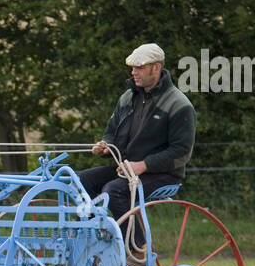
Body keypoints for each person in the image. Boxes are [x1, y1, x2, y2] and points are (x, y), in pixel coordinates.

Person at [80, 42, 196, 226]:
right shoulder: (127, 98)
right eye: (133, 68)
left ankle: (137, 248)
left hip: (164, 174)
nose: (134, 72)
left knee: (113, 191)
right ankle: (94, 236)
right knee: (80, 182)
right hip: (127, 170)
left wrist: (143, 165)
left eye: (139, 67)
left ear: (156, 68)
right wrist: (106, 146)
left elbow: (181, 153)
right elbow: (111, 133)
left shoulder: (179, 105)